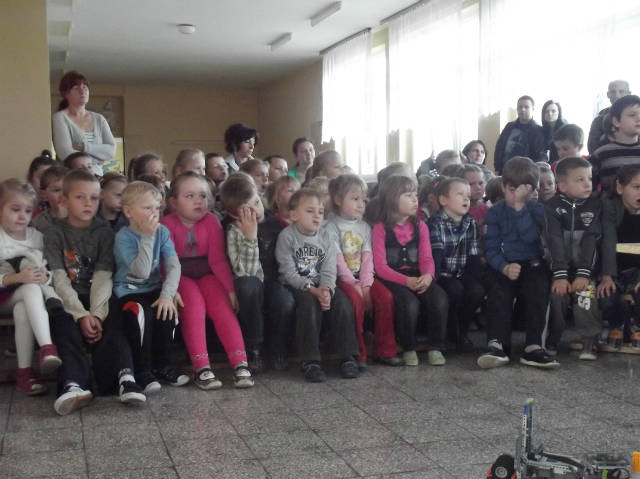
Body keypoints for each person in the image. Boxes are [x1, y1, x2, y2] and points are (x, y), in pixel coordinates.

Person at [45, 169, 144, 415]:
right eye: (80, 197)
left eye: (94, 198)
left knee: (115, 320)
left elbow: (103, 275)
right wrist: (81, 315)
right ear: (64, 200)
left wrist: (97, 314)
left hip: (99, 295)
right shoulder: (54, 233)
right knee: (64, 327)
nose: (88, 203)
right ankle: (72, 384)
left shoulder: (104, 232)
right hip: (68, 297)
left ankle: (125, 377)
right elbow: (59, 279)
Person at [161, 172, 254, 389]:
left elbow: (218, 261)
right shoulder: (166, 224)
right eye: (190, 196)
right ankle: (201, 367)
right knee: (193, 306)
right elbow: (165, 264)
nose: (198, 201)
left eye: (203, 196)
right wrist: (171, 290)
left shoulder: (212, 221)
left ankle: (240, 363)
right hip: (179, 276)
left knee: (223, 307)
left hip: (207, 273)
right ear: (173, 203)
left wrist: (230, 290)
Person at [477, 156, 558, 369]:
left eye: (523, 191)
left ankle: (533, 346)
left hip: (534, 263)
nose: (516, 196)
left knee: (538, 290)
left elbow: (532, 238)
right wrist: (504, 267)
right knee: (498, 292)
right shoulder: (495, 213)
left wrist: (520, 208)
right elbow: (491, 248)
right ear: (504, 187)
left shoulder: (538, 210)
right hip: (504, 264)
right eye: (512, 190)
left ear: (532, 190)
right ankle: (497, 344)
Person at [275, 189, 360, 382]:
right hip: (297, 285)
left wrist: (327, 289)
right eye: (310, 211)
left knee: (343, 304)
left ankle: (348, 357)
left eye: (320, 212)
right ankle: (310, 361)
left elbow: (330, 268)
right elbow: (288, 272)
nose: (317, 216)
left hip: (322, 284)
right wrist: (312, 290)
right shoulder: (287, 236)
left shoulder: (326, 236)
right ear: (294, 215)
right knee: (308, 306)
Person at [114, 181, 189, 392]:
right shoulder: (123, 237)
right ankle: (142, 370)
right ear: (128, 211)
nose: (154, 213)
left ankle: (163, 365)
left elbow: (174, 265)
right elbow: (142, 272)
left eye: (157, 208)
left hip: (154, 289)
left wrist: (167, 294)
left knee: (166, 310)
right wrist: (147, 237)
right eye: (147, 208)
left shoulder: (162, 232)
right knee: (141, 315)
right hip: (129, 291)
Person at [327, 174, 402, 368]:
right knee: (355, 302)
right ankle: (358, 353)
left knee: (385, 298)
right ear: (338, 199)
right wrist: (355, 285)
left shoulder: (364, 227)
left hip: (364, 278)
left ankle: (385, 350)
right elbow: (337, 260)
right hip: (342, 279)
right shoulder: (330, 226)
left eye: (363, 200)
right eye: (355, 199)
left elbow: (368, 258)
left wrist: (367, 285)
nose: (361, 204)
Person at [372, 176, 448, 366]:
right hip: (393, 278)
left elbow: (427, 258)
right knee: (409, 303)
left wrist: (428, 276)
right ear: (392, 199)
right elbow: (381, 267)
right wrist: (406, 281)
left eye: (415, 195)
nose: (415, 199)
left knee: (439, 299)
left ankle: (436, 346)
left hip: (418, 275)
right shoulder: (380, 229)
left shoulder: (420, 226)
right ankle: (408, 347)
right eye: (408, 195)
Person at [0, 179, 62, 395]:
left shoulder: (37, 238)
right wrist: (16, 277)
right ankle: (47, 347)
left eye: (27, 211)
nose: (22, 216)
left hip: (26, 296)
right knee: (29, 289)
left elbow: (49, 270)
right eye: (15, 209)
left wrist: (45, 276)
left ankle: (24, 372)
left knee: (24, 306)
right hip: (2, 295)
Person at [543, 157, 601, 359]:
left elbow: (591, 241)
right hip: (559, 269)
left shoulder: (595, 206)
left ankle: (589, 341)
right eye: (580, 180)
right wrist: (560, 275)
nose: (588, 184)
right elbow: (554, 241)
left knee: (587, 294)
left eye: (589, 179)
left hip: (585, 269)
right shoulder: (551, 207)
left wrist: (584, 274)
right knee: (557, 296)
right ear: (562, 186)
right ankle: (553, 339)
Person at [428, 177, 485, 351]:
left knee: (477, 291)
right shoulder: (435, 222)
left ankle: (463, 330)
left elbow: (473, 253)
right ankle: (452, 332)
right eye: (460, 194)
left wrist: (478, 278)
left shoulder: (470, 222)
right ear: (444, 200)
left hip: (461, 272)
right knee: (455, 291)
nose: (466, 198)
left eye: (467, 195)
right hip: (442, 274)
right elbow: (436, 253)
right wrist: (434, 278)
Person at [219, 174, 266, 373]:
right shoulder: (233, 231)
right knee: (247, 285)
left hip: (273, 280)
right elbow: (246, 271)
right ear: (234, 214)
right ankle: (253, 347)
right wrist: (250, 238)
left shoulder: (272, 222)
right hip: (248, 282)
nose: (255, 210)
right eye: (247, 209)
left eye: (257, 202)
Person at [257, 175, 300, 370]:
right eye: (289, 190)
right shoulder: (268, 225)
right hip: (276, 278)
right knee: (284, 303)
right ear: (276, 198)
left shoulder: (305, 223)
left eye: (297, 189)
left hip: (302, 274)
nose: (295, 193)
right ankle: (277, 350)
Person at [598, 165, 640, 352]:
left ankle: (636, 327)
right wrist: (607, 276)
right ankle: (616, 326)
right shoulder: (609, 208)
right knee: (607, 295)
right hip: (616, 271)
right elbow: (608, 242)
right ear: (620, 188)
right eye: (636, 187)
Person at [52, 71, 115, 177]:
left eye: (85, 87)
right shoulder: (60, 117)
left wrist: (84, 147)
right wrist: (98, 156)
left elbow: (111, 151)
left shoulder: (99, 119)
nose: (82, 91)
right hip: (73, 176)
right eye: (76, 88)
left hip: (98, 177)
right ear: (66, 94)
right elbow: (65, 153)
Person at [590, 95, 640, 196]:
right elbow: (590, 187)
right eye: (632, 115)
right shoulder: (601, 154)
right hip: (610, 205)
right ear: (616, 121)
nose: (639, 118)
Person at [494, 96, 546, 174]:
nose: (522, 109)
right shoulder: (509, 126)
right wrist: (497, 168)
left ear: (533, 109)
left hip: (526, 173)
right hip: (504, 171)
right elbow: (499, 147)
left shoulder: (538, 131)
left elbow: (540, 156)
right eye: (520, 107)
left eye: (526, 107)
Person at [588, 80, 631, 154]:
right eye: (613, 92)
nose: (617, 96)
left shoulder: (637, 118)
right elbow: (592, 149)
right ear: (608, 95)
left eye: (621, 91)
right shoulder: (599, 120)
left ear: (629, 94)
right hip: (607, 158)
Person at [32, 166, 68, 234]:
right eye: (57, 190)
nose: (63, 195)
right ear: (44, 194)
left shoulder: (81, 216)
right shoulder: (39, 222)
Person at [462, 164, 489, 233]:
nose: (478, 187)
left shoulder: (486, 210)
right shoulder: (458, 212)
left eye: (481, 183)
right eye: (471, 184)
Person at [541, 100, 568, 165]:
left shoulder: (564, 128)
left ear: (559, 113)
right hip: (550, 162)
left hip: (563, 161)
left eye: (553, 111)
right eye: (547, 111)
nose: (550, 114)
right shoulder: (544, 129)